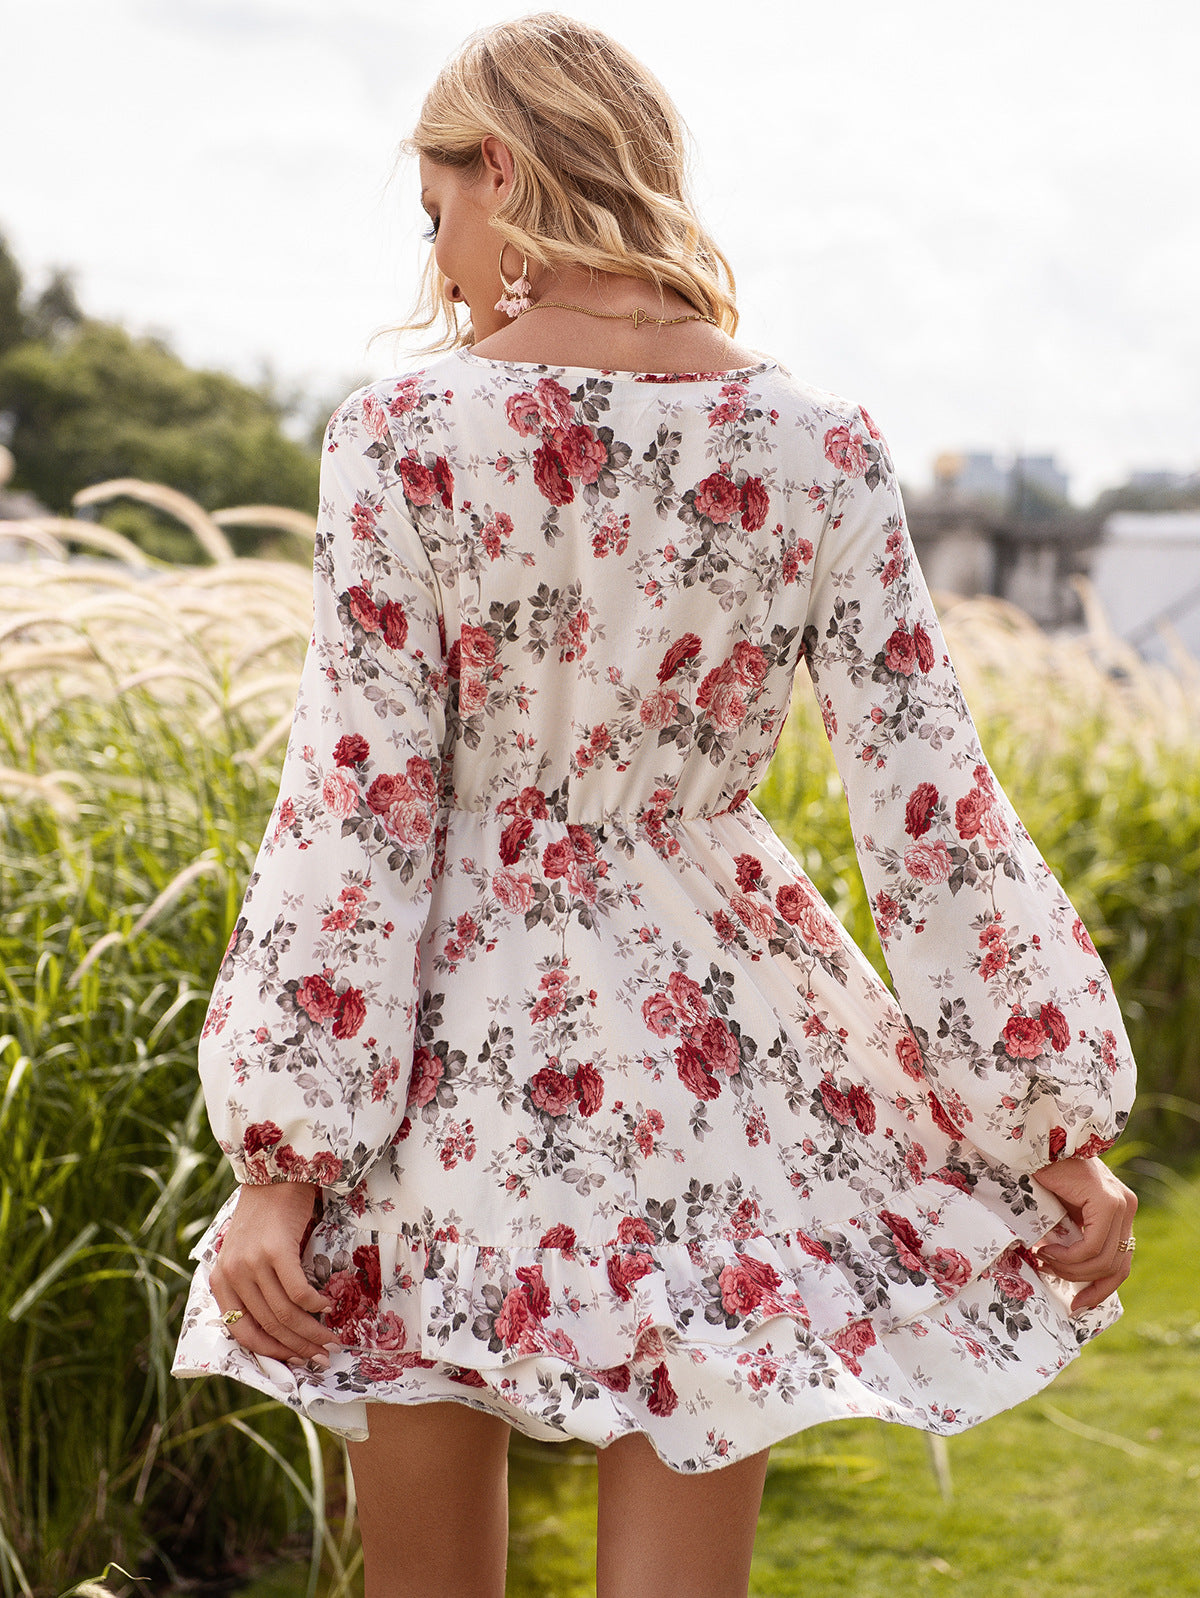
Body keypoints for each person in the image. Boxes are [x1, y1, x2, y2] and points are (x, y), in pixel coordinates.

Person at [171, 13, 1138, 1597]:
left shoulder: (404, 436)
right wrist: (1054, 1130)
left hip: (445, 1055)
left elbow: (360, 808)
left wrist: (283, 1154)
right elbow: (935, 808)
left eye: (438, 217)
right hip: (724, 1052)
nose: (446, 265)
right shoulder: (818, 443)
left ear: (501, 166)